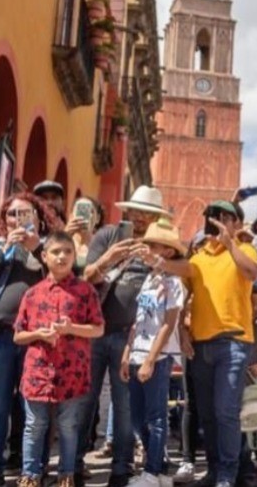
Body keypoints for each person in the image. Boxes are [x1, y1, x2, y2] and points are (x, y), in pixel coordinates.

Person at [157, 201, 257, 487]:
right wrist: (182, 331)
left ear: (236, 223)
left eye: (225, 217)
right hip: (200, 345)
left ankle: (228, 473)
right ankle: (215, 470)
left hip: (234, 343)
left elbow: (252, 273)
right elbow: (182, 295)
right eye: (213, 217)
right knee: (207, 413)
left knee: (226, 410)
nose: (218, 222)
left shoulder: (246, 249)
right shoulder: (199, 257)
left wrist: (230, 243)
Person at [77, 185, 173, 486]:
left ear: (156, 217)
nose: (141, 218)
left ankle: (122, 468)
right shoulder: (108, 235)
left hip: (131, 338)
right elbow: (86, 277)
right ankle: (73, 464)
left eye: (148, 214)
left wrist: (156, 261)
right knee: (84, 401)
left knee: (124, 407)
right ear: (128, 211)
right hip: (95, 330)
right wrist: (109, 258)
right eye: (137, 212)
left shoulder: (159, 245)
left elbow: (179, 276)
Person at [0, 193, 62, 487]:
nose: (17, 220)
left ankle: (32, 470)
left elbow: (63, 278)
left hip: (36, 340)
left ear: (38, 216)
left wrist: (37, 250)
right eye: (12, 215)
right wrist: (5, 248)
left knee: (32, 407)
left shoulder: (51, 249)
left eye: (25, 213)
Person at [13, 232, 104, 487]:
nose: (62, 256)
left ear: (75, 256)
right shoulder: (33, 293)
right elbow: (18, 336)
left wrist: (71, 328)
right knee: (34, 426)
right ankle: (30, 476)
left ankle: (66, 475)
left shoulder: (85, 292)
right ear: (44, 256)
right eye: (55, 252)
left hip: (72, 371)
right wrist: (38, 334)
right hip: (38, 372)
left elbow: (98, 329)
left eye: (67, 251)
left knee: (68, 425)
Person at [122, 220, 186, 487]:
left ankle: (152, 470)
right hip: (137, 353)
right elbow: (139, 319)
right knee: (137, 417)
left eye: (153, 245)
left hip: (157, 357)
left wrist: (150, 359)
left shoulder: (174, 281)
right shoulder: (149, 278)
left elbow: (169, 323)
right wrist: (127, 352)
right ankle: (157, 470)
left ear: (168, 251)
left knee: (156, 417)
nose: (146, 249)